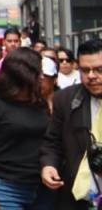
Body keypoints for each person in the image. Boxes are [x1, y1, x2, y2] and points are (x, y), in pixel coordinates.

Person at [0, 48, 53, 210]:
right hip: (4, 189)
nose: (41, 76)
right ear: (22, 73)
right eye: (37, 71)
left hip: (41, 188)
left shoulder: (39, 102)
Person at [41, 39, 102, 210]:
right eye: (85, 70)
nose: (92, 76)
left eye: (99, 69)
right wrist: (48, 165)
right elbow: (52, 141)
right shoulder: (65, 99)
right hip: (78, 197)